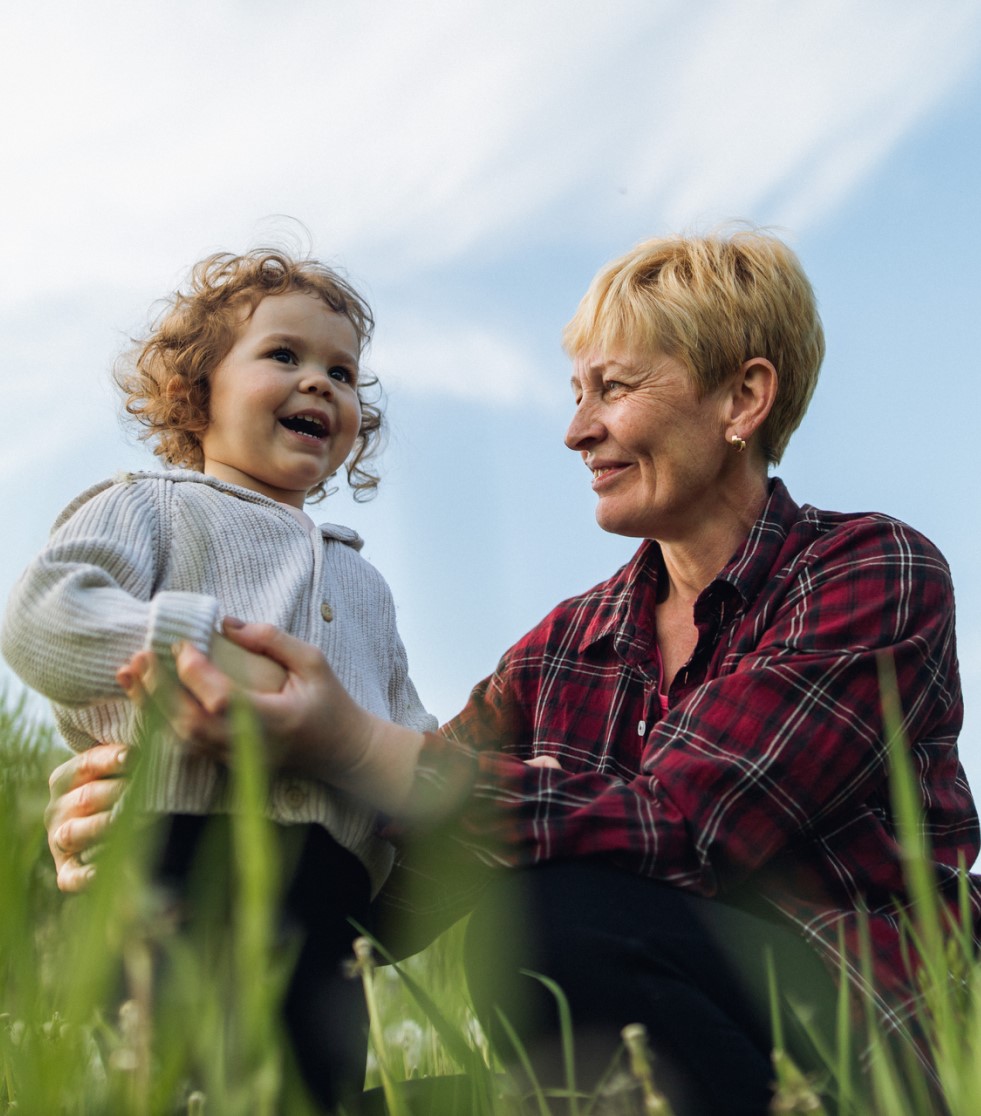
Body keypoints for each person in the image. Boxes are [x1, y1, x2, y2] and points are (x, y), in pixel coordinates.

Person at [45, 230, 981, 1115]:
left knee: (553, 912)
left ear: (741, 400)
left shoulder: (870, 572)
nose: (577, 431)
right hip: (645, 1057)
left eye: (611, 388)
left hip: (857, 1054)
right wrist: (183, 835)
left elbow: (689, 827)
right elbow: (400, 869)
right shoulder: (564, 649)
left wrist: (350, 739)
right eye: (575, 392)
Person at [2, 248, 437, 1111]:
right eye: (284, 356)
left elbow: (407, 732)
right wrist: (187, 642)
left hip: (329, 902)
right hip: (174, 852)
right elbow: (45, 616)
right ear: (196, 394)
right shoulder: (148, 507)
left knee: (306, 1091)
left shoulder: (365, 584)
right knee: (171, 1080)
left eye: (342, 372)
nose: (319, 383)